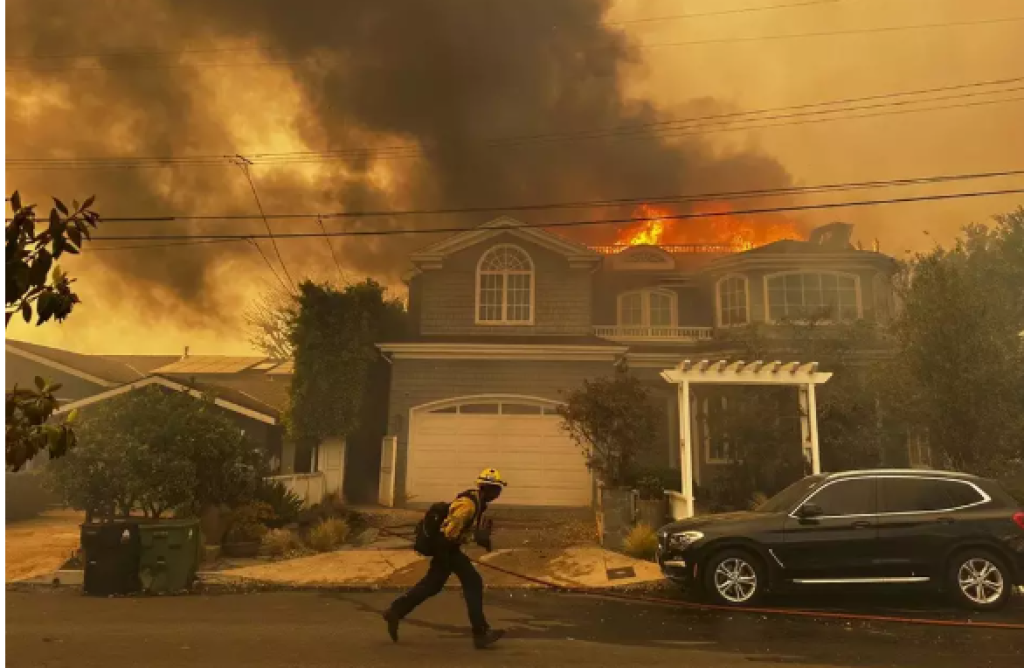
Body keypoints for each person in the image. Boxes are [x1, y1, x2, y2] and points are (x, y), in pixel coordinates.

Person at [384, 468, 507, 649]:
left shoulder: (477, 502)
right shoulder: (468, 506)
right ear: (487, 488)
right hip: (446, 549)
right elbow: (448, 533)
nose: (498, 494)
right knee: (473, 582)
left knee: (432, 586)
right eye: (497, 489)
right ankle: (480, 633)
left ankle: (395, 612)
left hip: (447, 549)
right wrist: (472, 539)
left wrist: (479, 539)